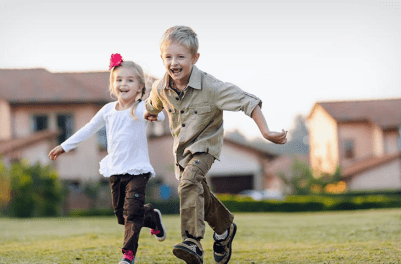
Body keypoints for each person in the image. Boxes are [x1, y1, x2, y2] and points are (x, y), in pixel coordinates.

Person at [144, 26, 288, 264]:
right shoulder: (161, 88)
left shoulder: (212, 87)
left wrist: (266, 131)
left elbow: (247, 102)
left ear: (194, 58)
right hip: (181, 152)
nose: (174, 62)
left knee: (189, 183)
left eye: (181, 57)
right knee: (198, 190)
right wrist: (149, 113)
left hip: (206, 148)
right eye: (168, 57)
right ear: (162, 58)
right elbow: (152, 105)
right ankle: (224, 230)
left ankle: (192, 241)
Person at [49, 54, 167, 264]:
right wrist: (64, 146)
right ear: (113, 85)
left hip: (138, 171)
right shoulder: (107, 111)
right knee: (122, 217)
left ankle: (128, 255)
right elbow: (88, 129)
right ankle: (152, 217)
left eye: (130, 80)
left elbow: (158, 114)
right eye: (119, 80)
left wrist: (155, 114)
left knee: (131, 214)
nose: (124, 84)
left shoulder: (138, 109)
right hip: (116, 170)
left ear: (140, 87)